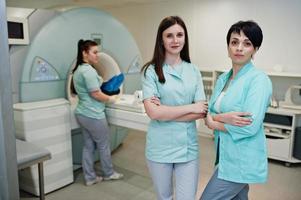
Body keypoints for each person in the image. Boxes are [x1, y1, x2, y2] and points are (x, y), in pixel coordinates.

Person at [200, 21, 272, 200]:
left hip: (241, 161)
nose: (239, 48)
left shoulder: (259, 80)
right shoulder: (223, 78)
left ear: (255, 49)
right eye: (234, 42)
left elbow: (249, 126)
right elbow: (208, 112)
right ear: (228, 47)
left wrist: (213, 122)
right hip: (225, 156)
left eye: (247, 43)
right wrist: (220, 117)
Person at [141, 16, 208, 200]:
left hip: (187, 147)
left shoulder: (193, 70)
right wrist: (191, 107)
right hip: (159, 147)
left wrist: (164, 112)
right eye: (169, 35)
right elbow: (153, 112)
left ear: (185, 38)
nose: (175, 40)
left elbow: (202, 111)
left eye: (180, 34)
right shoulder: (151, 71)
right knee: (164, 197)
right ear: (161, 40)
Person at [72, 39, 123, 186]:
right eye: (94, 52)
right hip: (93, 115)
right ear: (84, 53)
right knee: (103, 145)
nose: (97, 56)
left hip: (82, 113)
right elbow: (95, 94)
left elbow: (91, 89)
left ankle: (90, 177)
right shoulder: (88, 71)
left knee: (88, 146)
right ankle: (109, 173)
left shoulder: (78, 70)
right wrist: (111, 99)